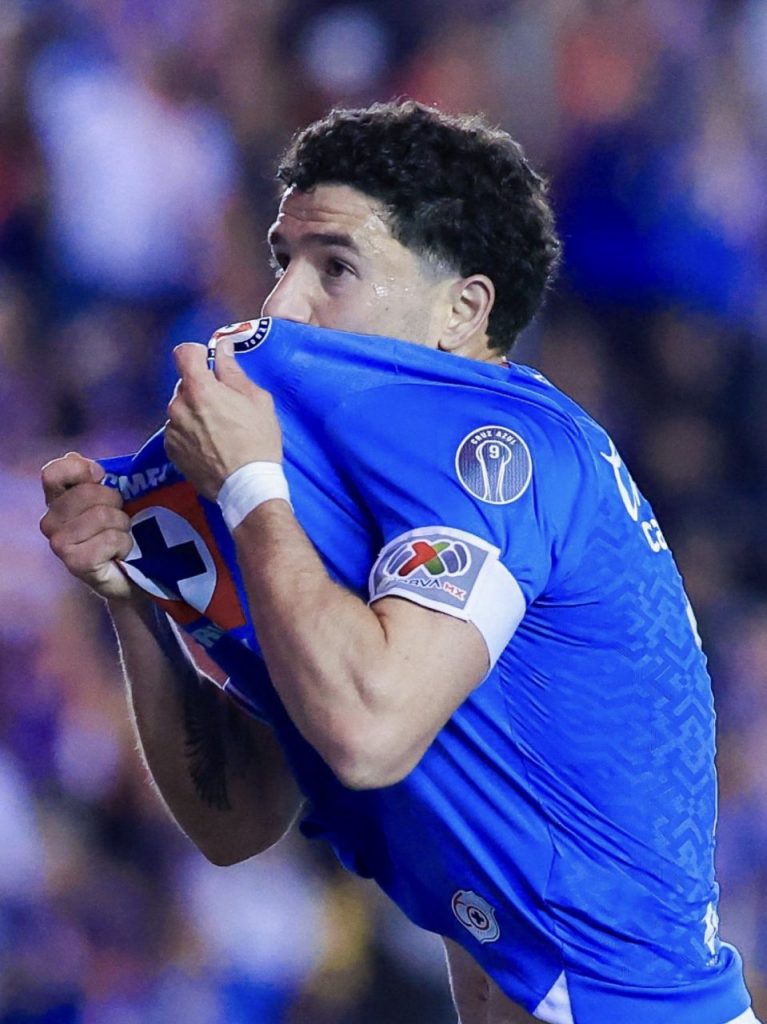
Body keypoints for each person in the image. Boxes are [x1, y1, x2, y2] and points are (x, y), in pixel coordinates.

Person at [39, 101, 759, 1024]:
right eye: (281, 261)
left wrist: (250, 487)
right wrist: (131, 599)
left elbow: (368, 731)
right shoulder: (339, 518)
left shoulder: (501, 452)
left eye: (335, 268)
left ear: (461, 312)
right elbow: (234, 818)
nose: (279, 307)